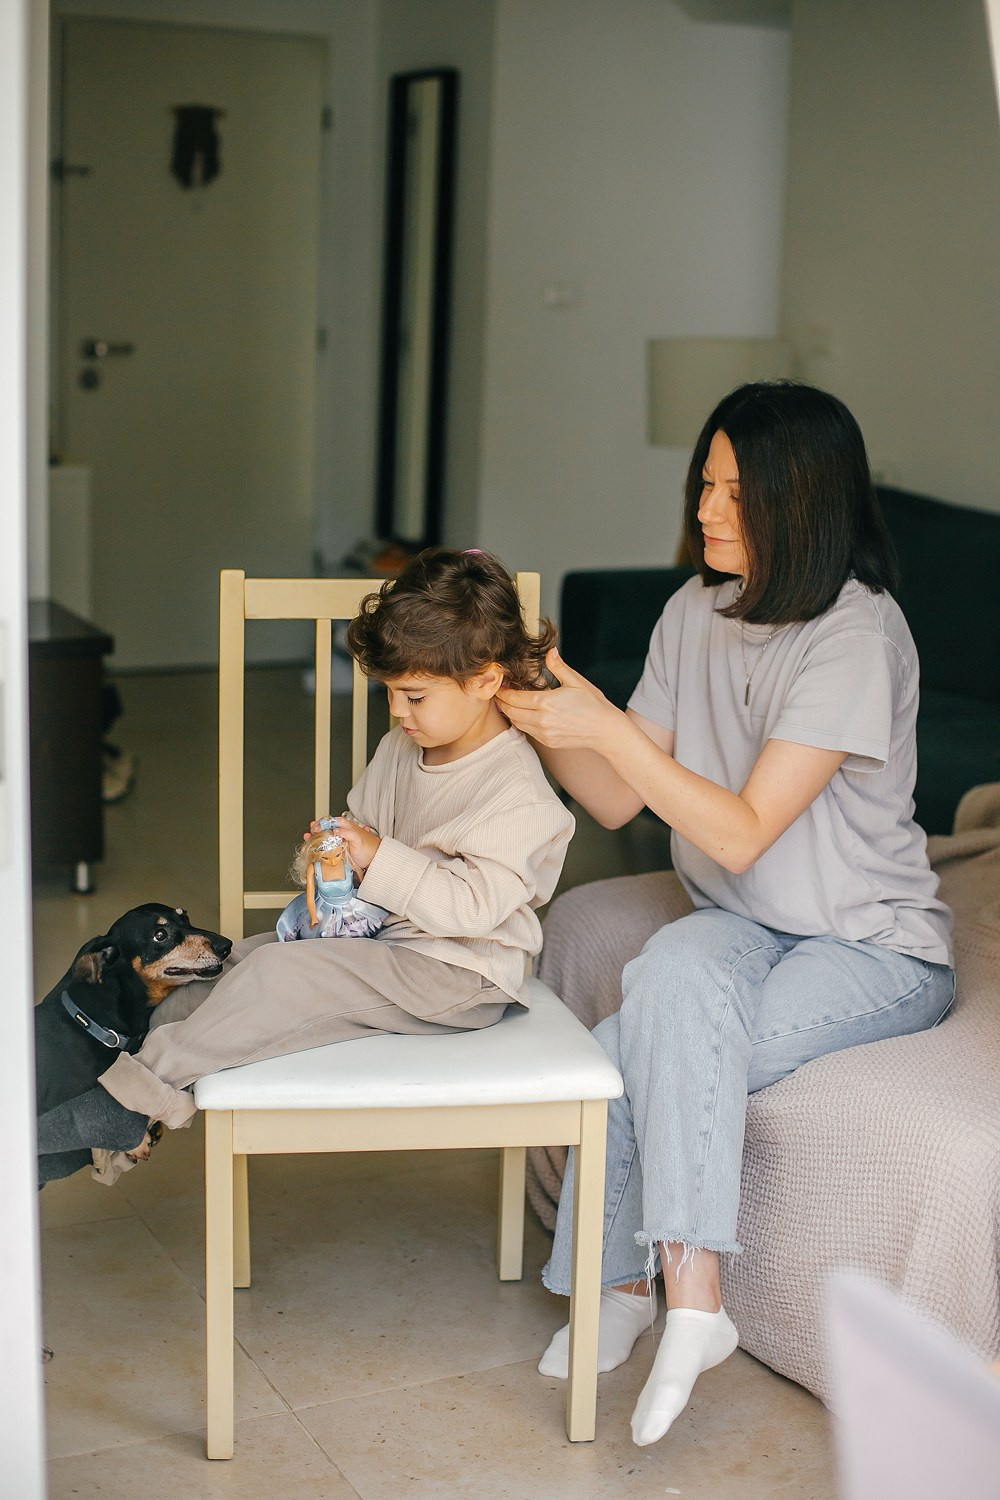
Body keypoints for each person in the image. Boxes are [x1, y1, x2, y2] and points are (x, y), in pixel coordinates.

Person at [497, 381, 955, 1449]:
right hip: (739, 922)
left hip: (866, 942)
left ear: (802, 503)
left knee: (629, 1047)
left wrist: (608, 729)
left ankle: (635, 1289)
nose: (705, 511)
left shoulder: (854, 634)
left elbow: (743, 829)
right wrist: (537, 696)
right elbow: (615, 797)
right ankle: (682, 1304)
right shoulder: (690, 611)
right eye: (703, 484)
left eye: (735, 493)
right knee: (662, 985)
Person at [36, 548, 575, 1176]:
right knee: (237, 965)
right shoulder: (406, 746)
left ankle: (129, 1103)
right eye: (390, 694)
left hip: (458, 971)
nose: (398, 713)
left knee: (276, 981)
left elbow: (473, 908)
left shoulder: (516, 792)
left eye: (414, 696)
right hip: (387, 945)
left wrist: (377, 856)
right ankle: (86, 1131)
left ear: (485, 681)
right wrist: (330, 861)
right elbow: (361, 832)